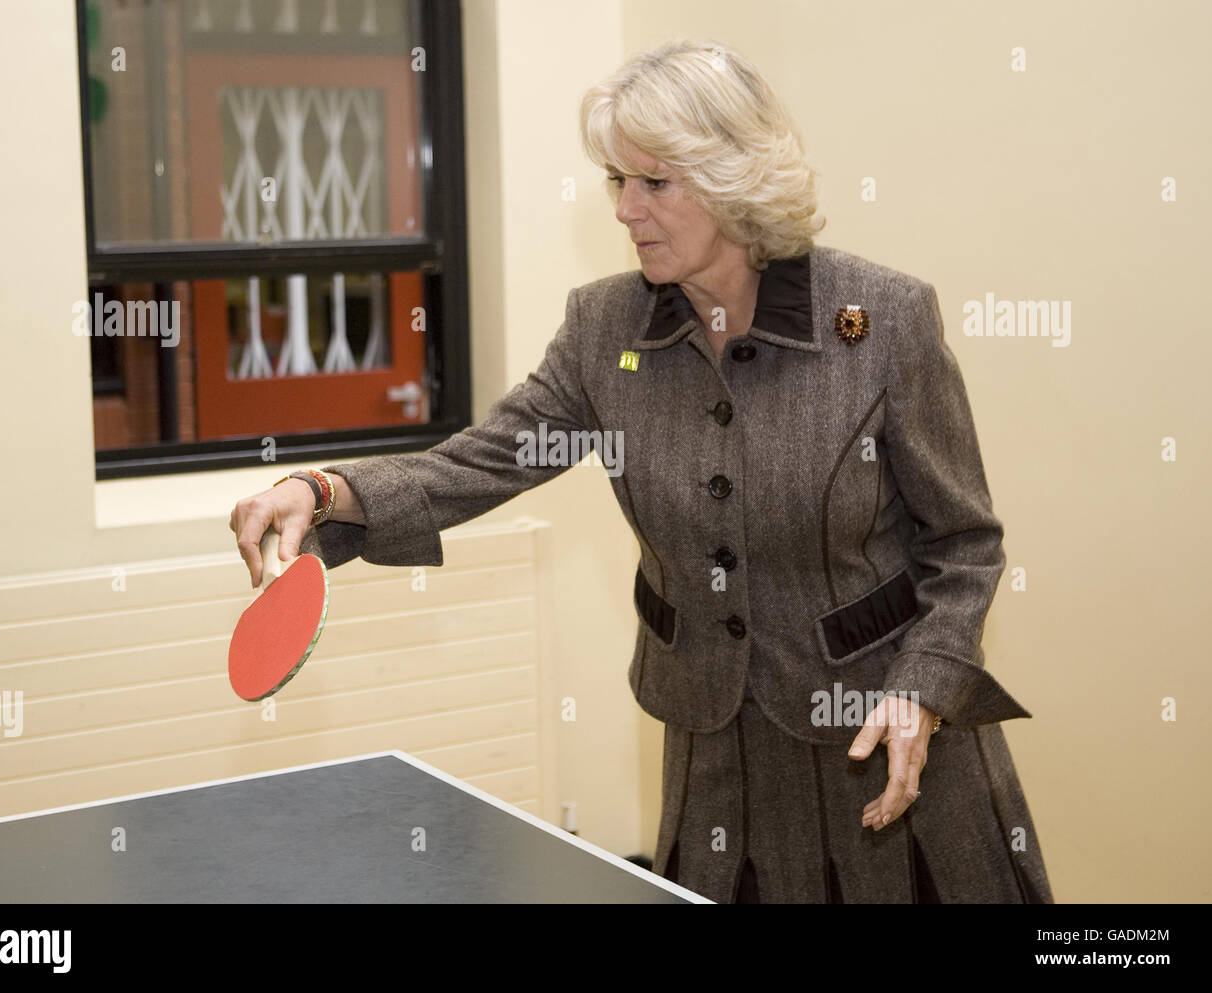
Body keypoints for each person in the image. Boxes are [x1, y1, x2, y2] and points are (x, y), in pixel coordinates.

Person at [229, 39, 1053, 904]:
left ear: (737, 178)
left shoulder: (883, 320)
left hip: (884, 744)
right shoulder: (604, 327)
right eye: (616, 180)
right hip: (716, 754)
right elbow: (480, 459)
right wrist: (318, 490)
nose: (626, 209)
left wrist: (921, 686)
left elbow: (965, 544)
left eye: (654, 182)